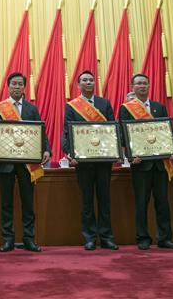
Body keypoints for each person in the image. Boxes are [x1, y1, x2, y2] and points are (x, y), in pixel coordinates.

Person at [0, 72, 51, 253]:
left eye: (20, 84)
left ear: (24, 87)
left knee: (28, 203)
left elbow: (41, 132)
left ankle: (29, 239)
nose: (17, 87)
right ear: (8, 86)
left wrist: (46, 150)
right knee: (6, 203)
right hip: (5, 162)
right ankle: (8, 240)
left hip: (27, 164)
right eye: (13, 84)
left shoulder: (32, 109)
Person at [119, 73, 173, 250]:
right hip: (140, 163)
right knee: (141, 202)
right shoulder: (126, 108)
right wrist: (131, 155)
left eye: (145, 83)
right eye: (138, 84)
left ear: (149, 86)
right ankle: (143, 237)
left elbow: (168, 131)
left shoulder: (159, 107)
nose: (142, 86)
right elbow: (123, 133)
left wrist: (172, 151)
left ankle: (165, 238)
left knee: (162, 202)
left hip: (160, 162)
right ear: (132, 87)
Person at [61, 70, 118, 251]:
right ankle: (90, 238)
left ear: (95, 83)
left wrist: (115, 151)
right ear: (78, 85)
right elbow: (67, 133)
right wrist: (70, 153)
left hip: (103, 160)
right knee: (86, 201)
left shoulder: (104, 103)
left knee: (105, 200)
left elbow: (112, 130)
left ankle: (107, 237)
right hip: (83, 163)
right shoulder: (72, 106)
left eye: (91, 80)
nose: (88, 82)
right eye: (84, 80)